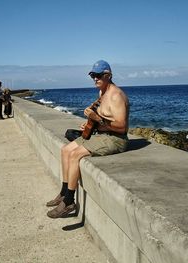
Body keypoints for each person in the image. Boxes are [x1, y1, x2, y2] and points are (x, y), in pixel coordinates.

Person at [46, 60, 130, 218]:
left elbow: (121, 127)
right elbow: (102, 119)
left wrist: (97, 119)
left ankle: (70, 201)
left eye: (98, 76)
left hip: (116, 139)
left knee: (75, 154)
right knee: (65, 150)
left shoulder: (116, 96)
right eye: (93, 76)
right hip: (102, 134)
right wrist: (90, 124)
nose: (95, 79)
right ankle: (64, 193)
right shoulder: (101, 92)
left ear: (108, 75)